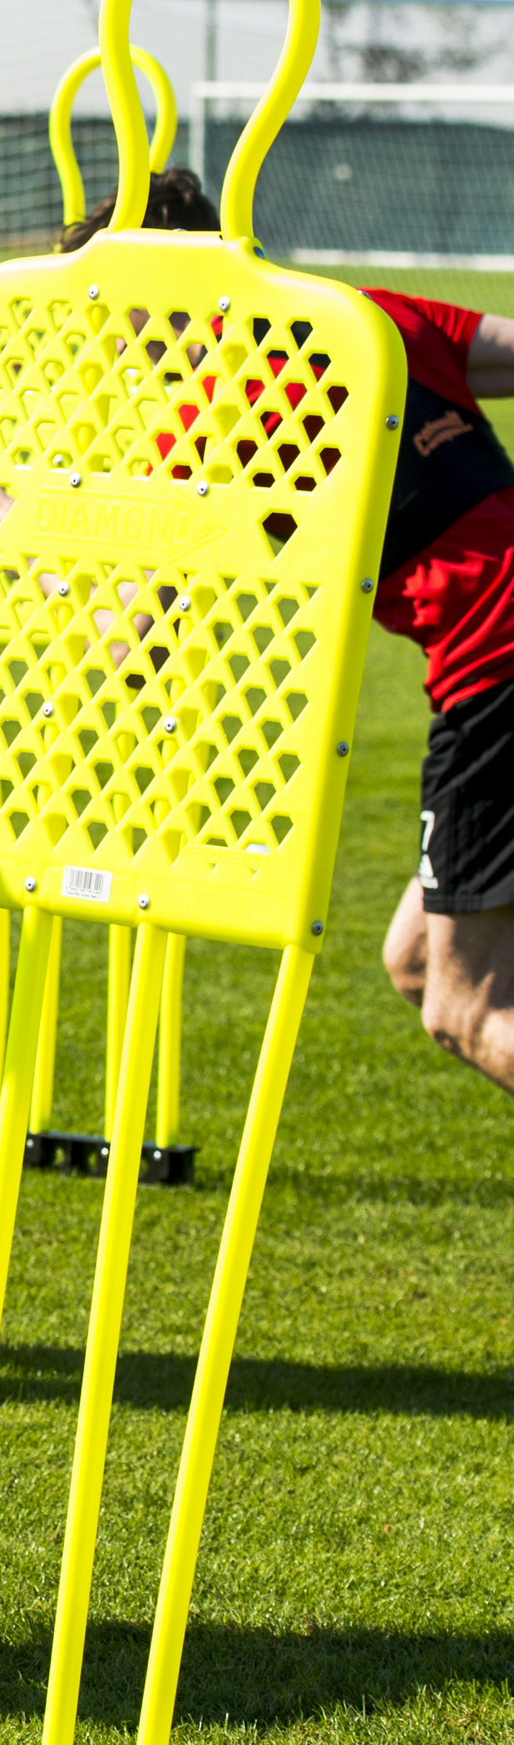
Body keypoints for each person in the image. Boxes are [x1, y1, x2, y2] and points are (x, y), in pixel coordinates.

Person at [58, 172, 514, 1097]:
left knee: (462, 1010)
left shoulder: (211, 419)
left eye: (105, 307)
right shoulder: (365, 317)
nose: (106, 335)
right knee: (417, 964)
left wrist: (38, 537)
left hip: (495, 671)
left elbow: (128, 653)